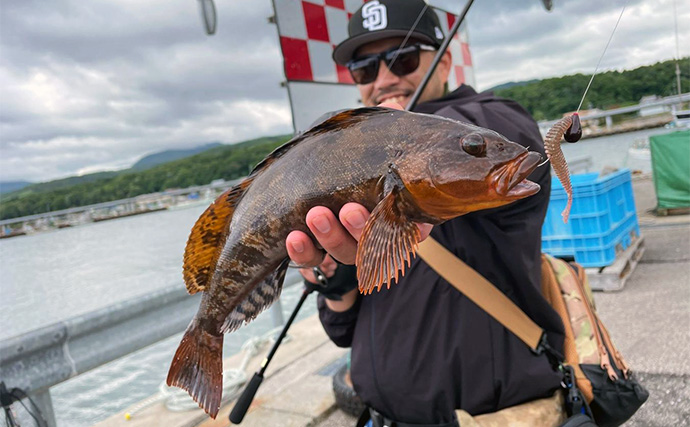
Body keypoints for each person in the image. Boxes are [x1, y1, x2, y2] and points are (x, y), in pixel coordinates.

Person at [285, 1, 566, 425]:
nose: (384, 80)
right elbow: (342, 331)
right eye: (364, 69)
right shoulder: (359, 170)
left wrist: (395, 132)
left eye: (403, 58)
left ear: (444, 59)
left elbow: (515, 138)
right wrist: (330, 275)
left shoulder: (491, 118)